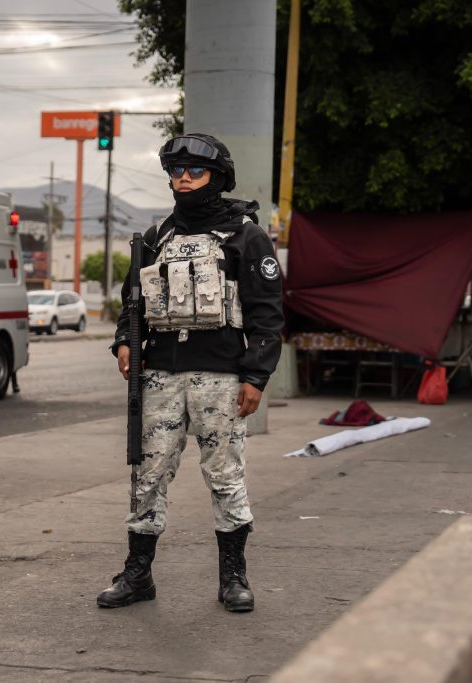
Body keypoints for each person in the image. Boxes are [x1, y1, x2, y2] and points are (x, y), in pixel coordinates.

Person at [97, 133, 284, 613]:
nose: (183, 179)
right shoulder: (158, 236)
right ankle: (138, 576)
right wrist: (124, 342)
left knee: (224, 474)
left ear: (217, 179)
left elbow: (267, 315)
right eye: (176, 171)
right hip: (159, 376)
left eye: (194, 171)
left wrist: (256, 376)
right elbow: (132, 301)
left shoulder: (245, 235)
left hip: (221, 378)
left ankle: (233, 577)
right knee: (148, 473)